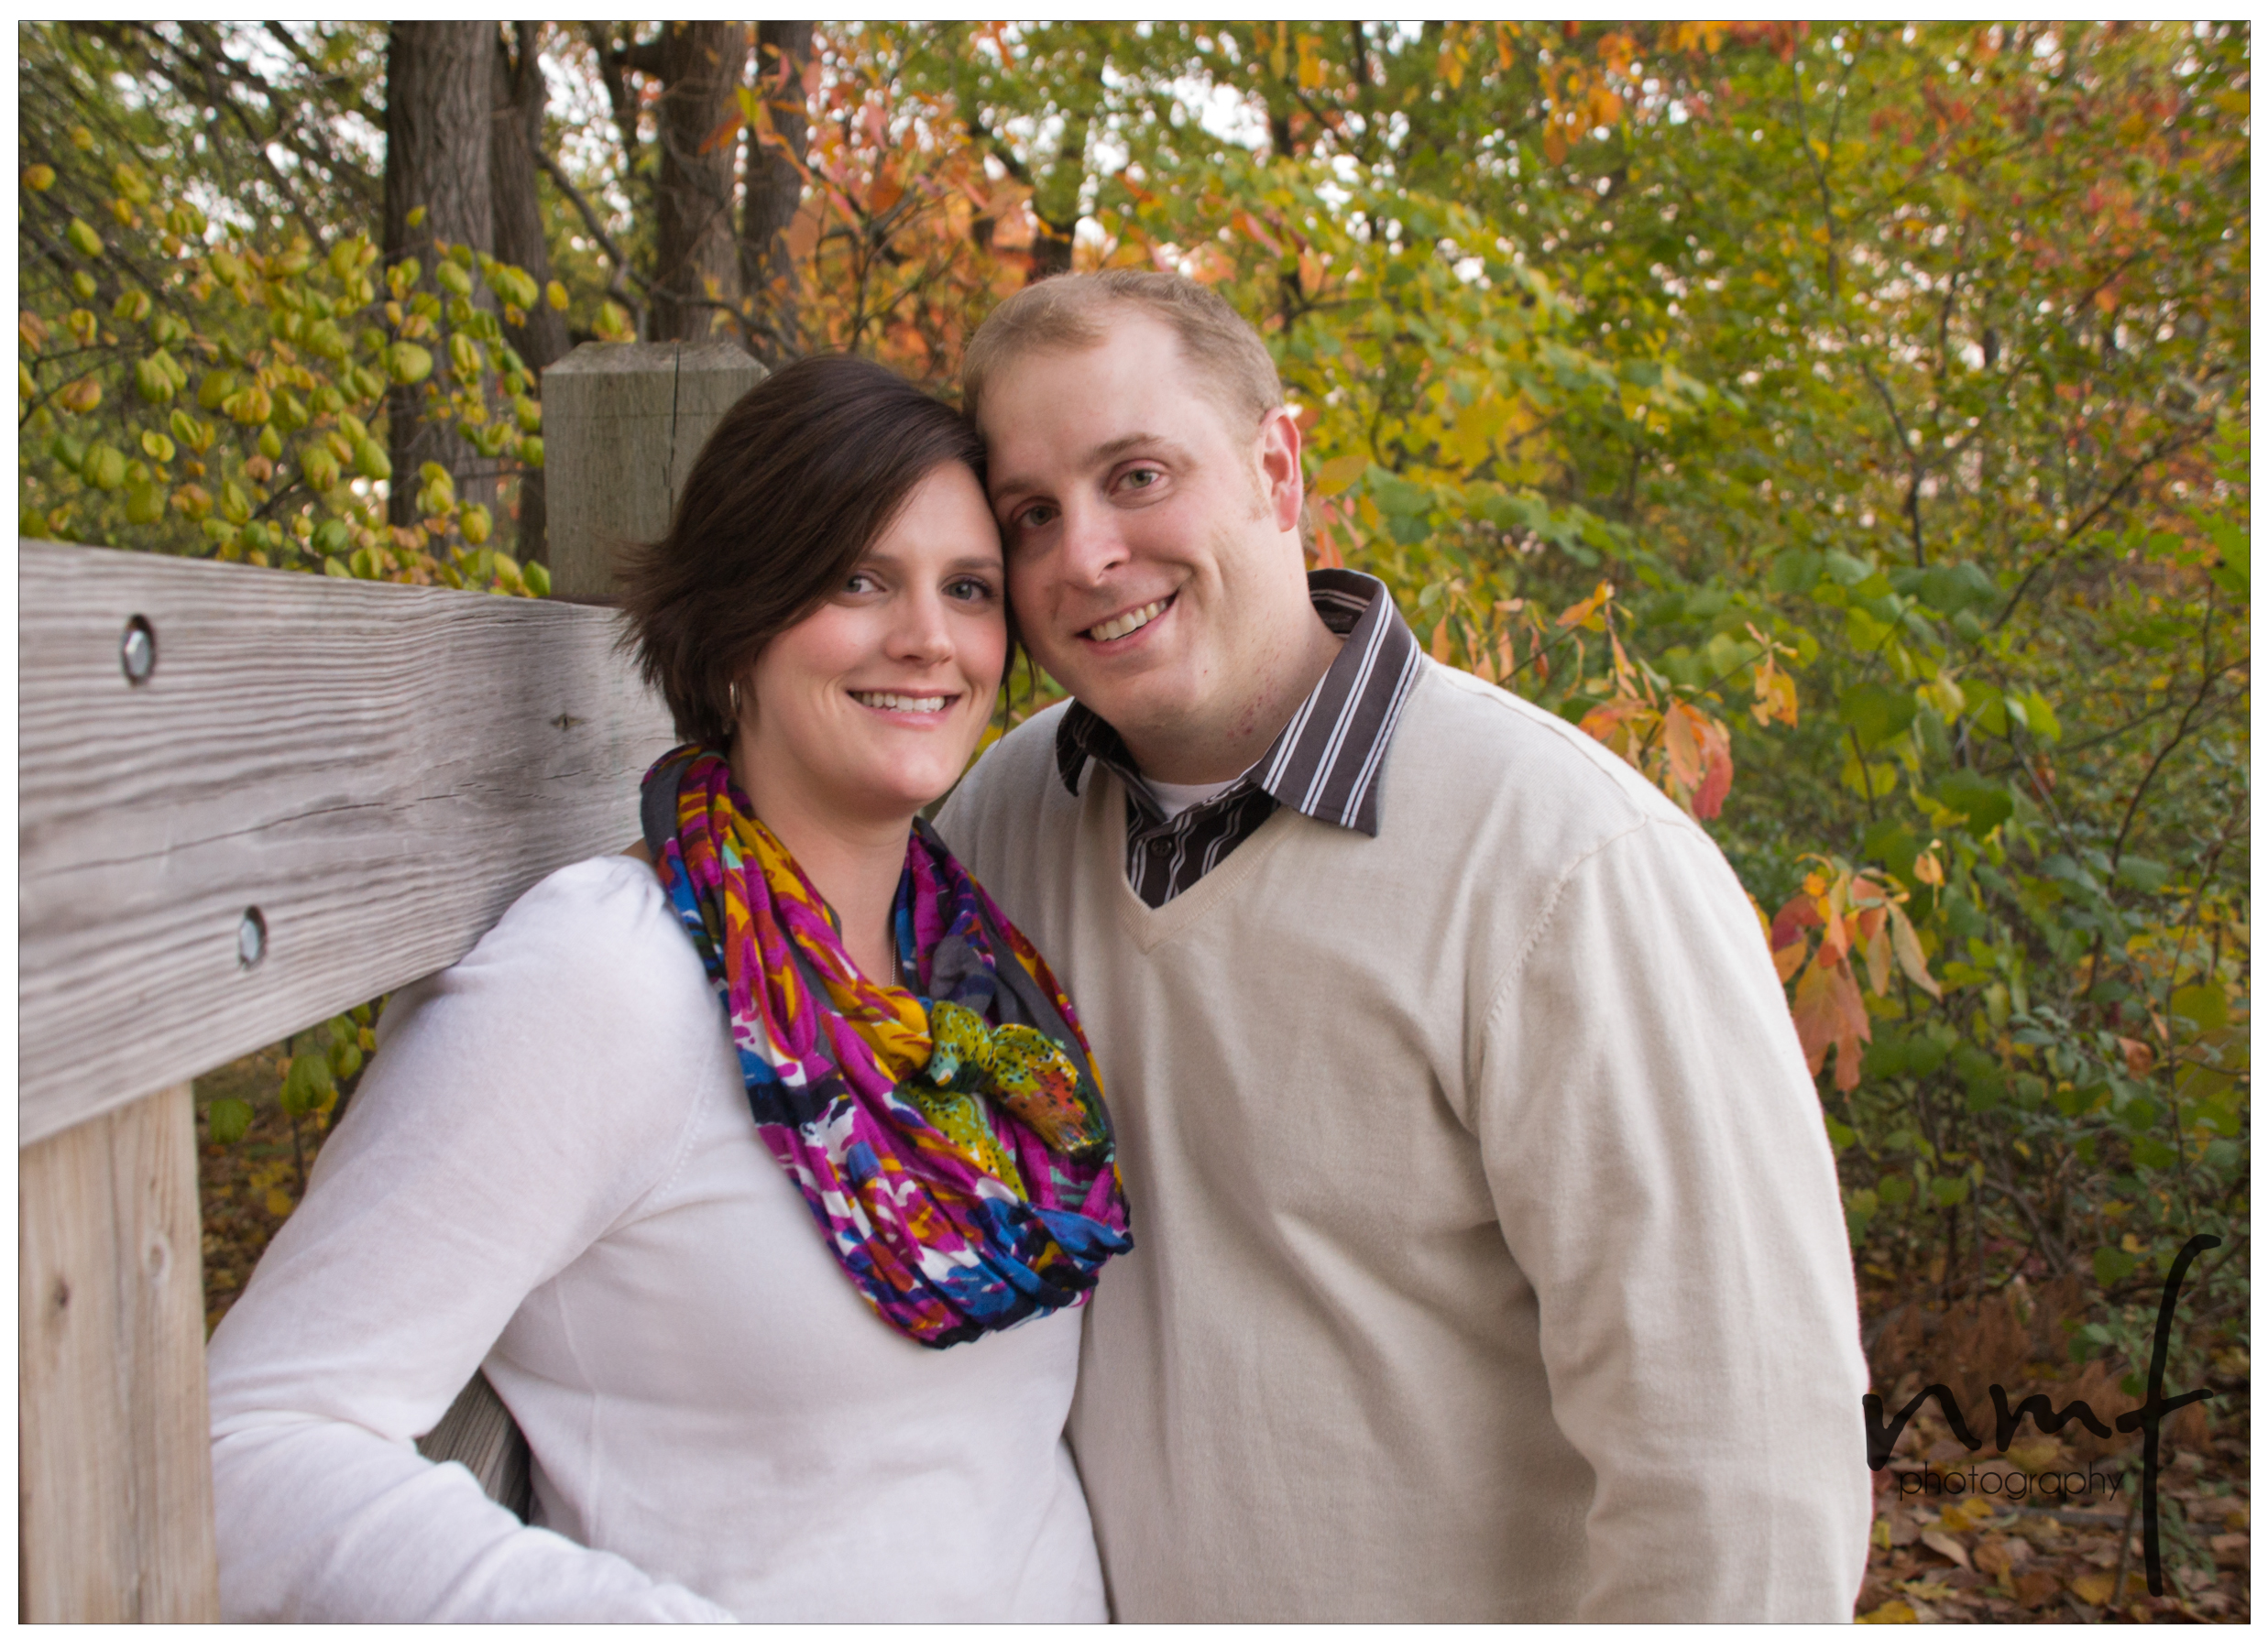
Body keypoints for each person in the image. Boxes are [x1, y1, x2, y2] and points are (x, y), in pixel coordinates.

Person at [935, 269, 1875, 1622]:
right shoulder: (999, 824)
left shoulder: (1565, 865)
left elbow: (1744, 1472)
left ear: (1277, 468)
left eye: (1137, 476)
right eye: (1031, 513)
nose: (1084, 554)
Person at [203, 354, 1132, 1622]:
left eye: (967, 588)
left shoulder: (973, 979)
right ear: (740, 620)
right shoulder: (605, 977)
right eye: (857, 579)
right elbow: (250, 1445)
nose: (928, 637)